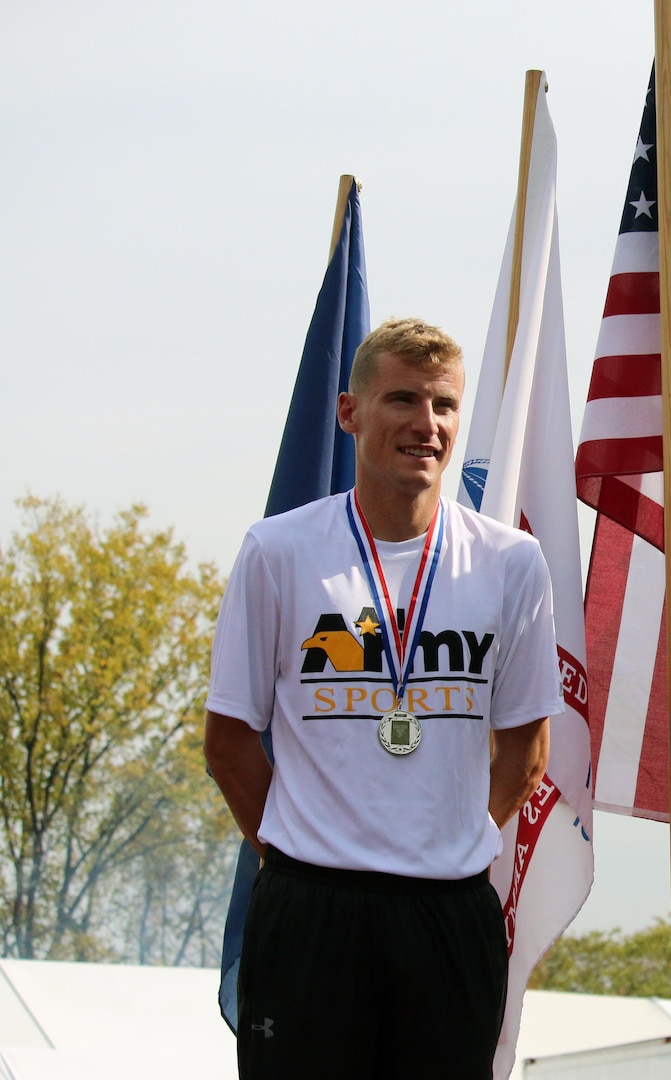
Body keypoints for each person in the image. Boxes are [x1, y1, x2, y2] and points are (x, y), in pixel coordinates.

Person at [204, 317, 559, 1080]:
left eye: (444, 406)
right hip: (311, 908)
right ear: (349, 412)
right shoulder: (278, 550)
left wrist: (442, 836)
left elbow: (526, 750)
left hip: (448, 912)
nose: (425, 426)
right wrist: (304, 849)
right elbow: (229, 741)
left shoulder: (512, 563)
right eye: (402, 400)